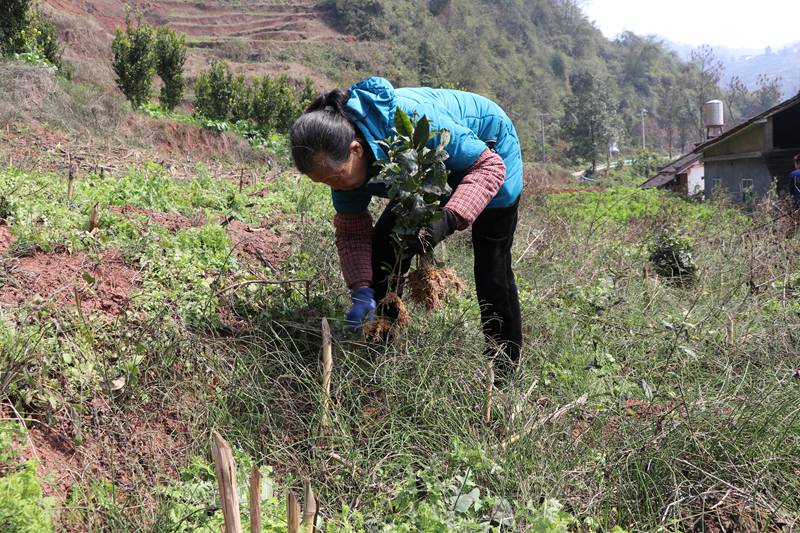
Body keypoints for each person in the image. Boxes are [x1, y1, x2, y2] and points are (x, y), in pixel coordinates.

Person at [290, 77, 523, 376]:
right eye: (323, 182)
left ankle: (504, 369)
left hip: (488, 151)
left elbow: (490, 167)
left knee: (492, 267)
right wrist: (362, 288)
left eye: (335, 178)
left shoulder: (412, 123)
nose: (334, 187)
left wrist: (447, 220)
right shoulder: (341, 165)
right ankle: (382, 347)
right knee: (386, 246)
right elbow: (352, 230)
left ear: (356, 150)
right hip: (423, 173)